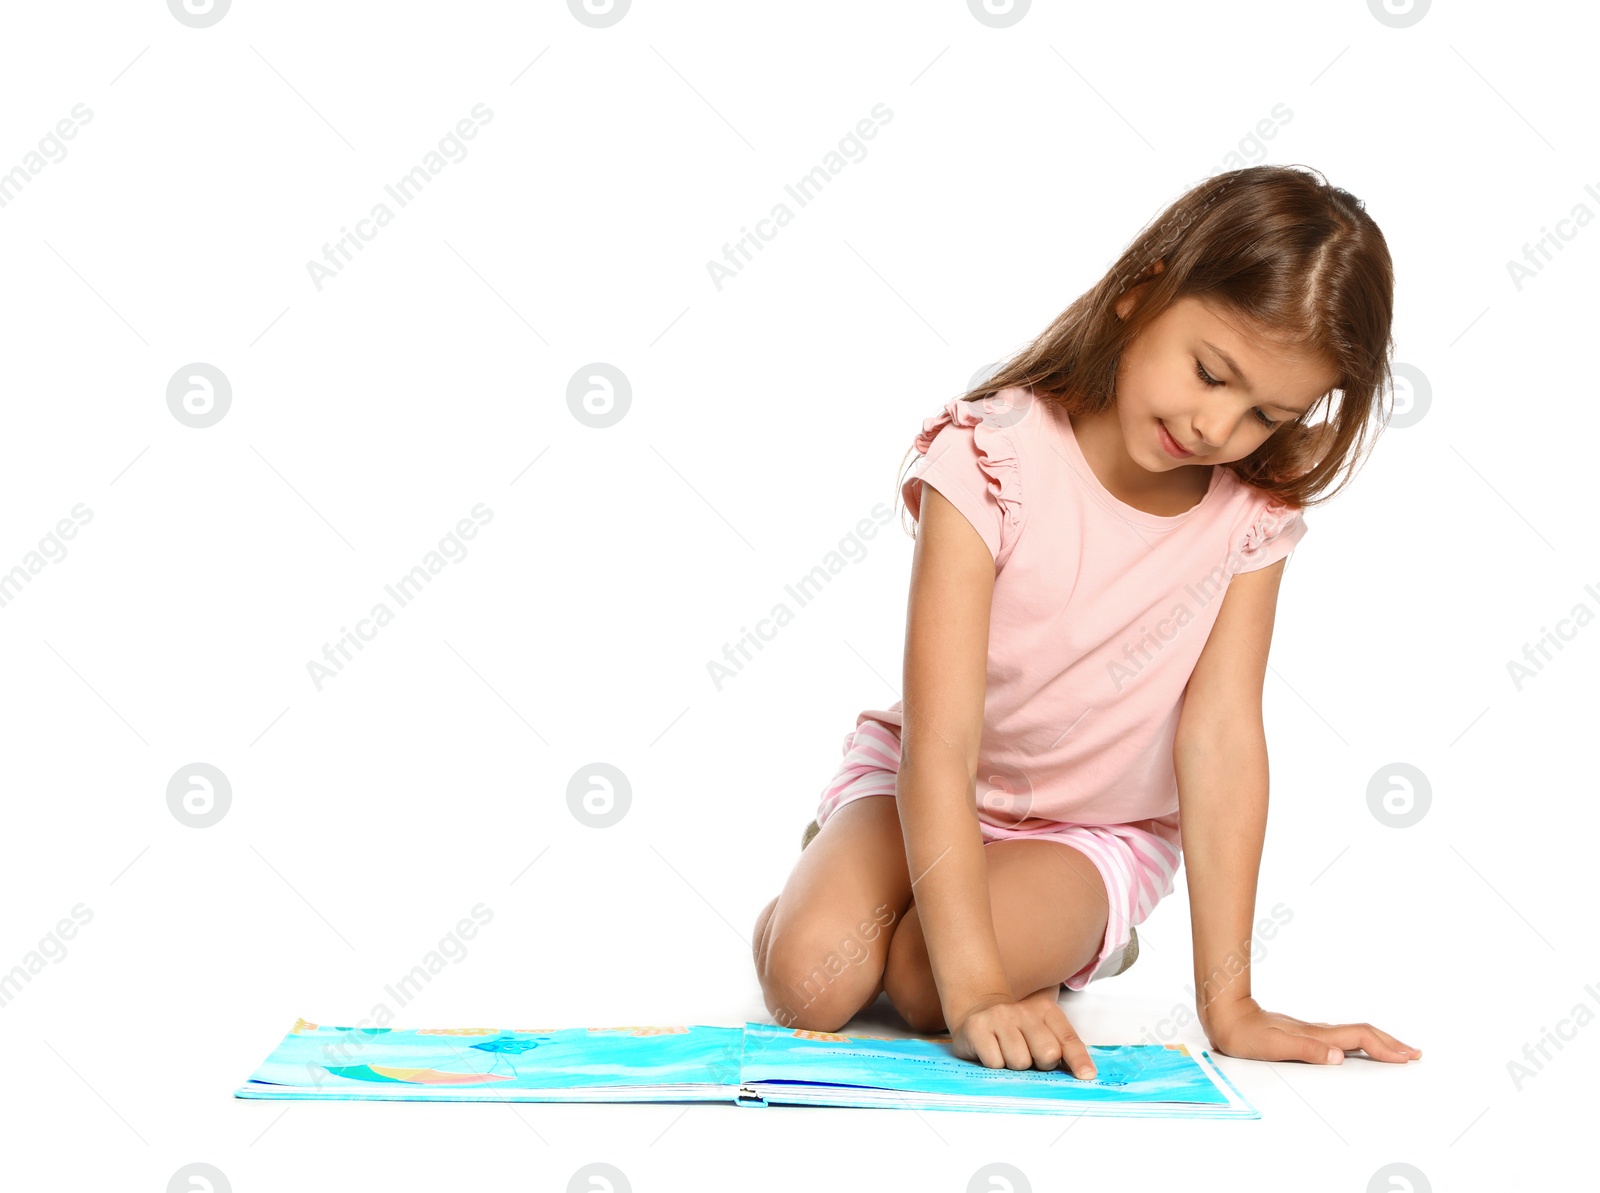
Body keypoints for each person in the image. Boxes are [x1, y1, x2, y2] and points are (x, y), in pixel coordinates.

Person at [751, 164, 1423, 1079]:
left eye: (1266, 413)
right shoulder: (992, 455)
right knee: (811, 984)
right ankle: (855, 877)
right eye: (1210, 372)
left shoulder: (1249, 517)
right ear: (1142, 291)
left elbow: (1222, 737)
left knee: (920, 982)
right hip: (931, 781)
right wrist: (983, 988)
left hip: (1089, 833)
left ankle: (1065, 937)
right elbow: (940, 742)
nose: (1218, 425)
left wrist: (1231, 1002)